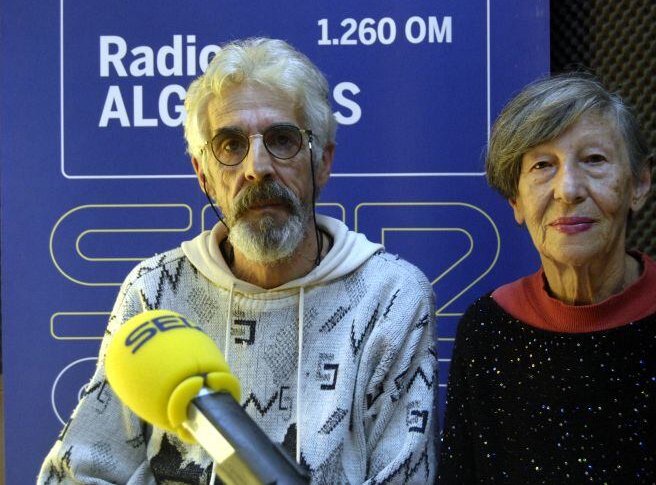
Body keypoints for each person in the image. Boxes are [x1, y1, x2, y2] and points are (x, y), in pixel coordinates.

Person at [39, 37, 437, 485]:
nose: (257, 167)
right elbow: (77, 472)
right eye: (230, 145)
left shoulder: (392, 296)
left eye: (282, 139)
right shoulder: (154, 291)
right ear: (203, 174)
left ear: (322, 162)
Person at [438, 74, 656, 483]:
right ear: (516, 201)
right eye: (543, 166)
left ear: (639, 183)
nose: (569, 189)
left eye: (594, 160)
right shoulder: (487, 328)